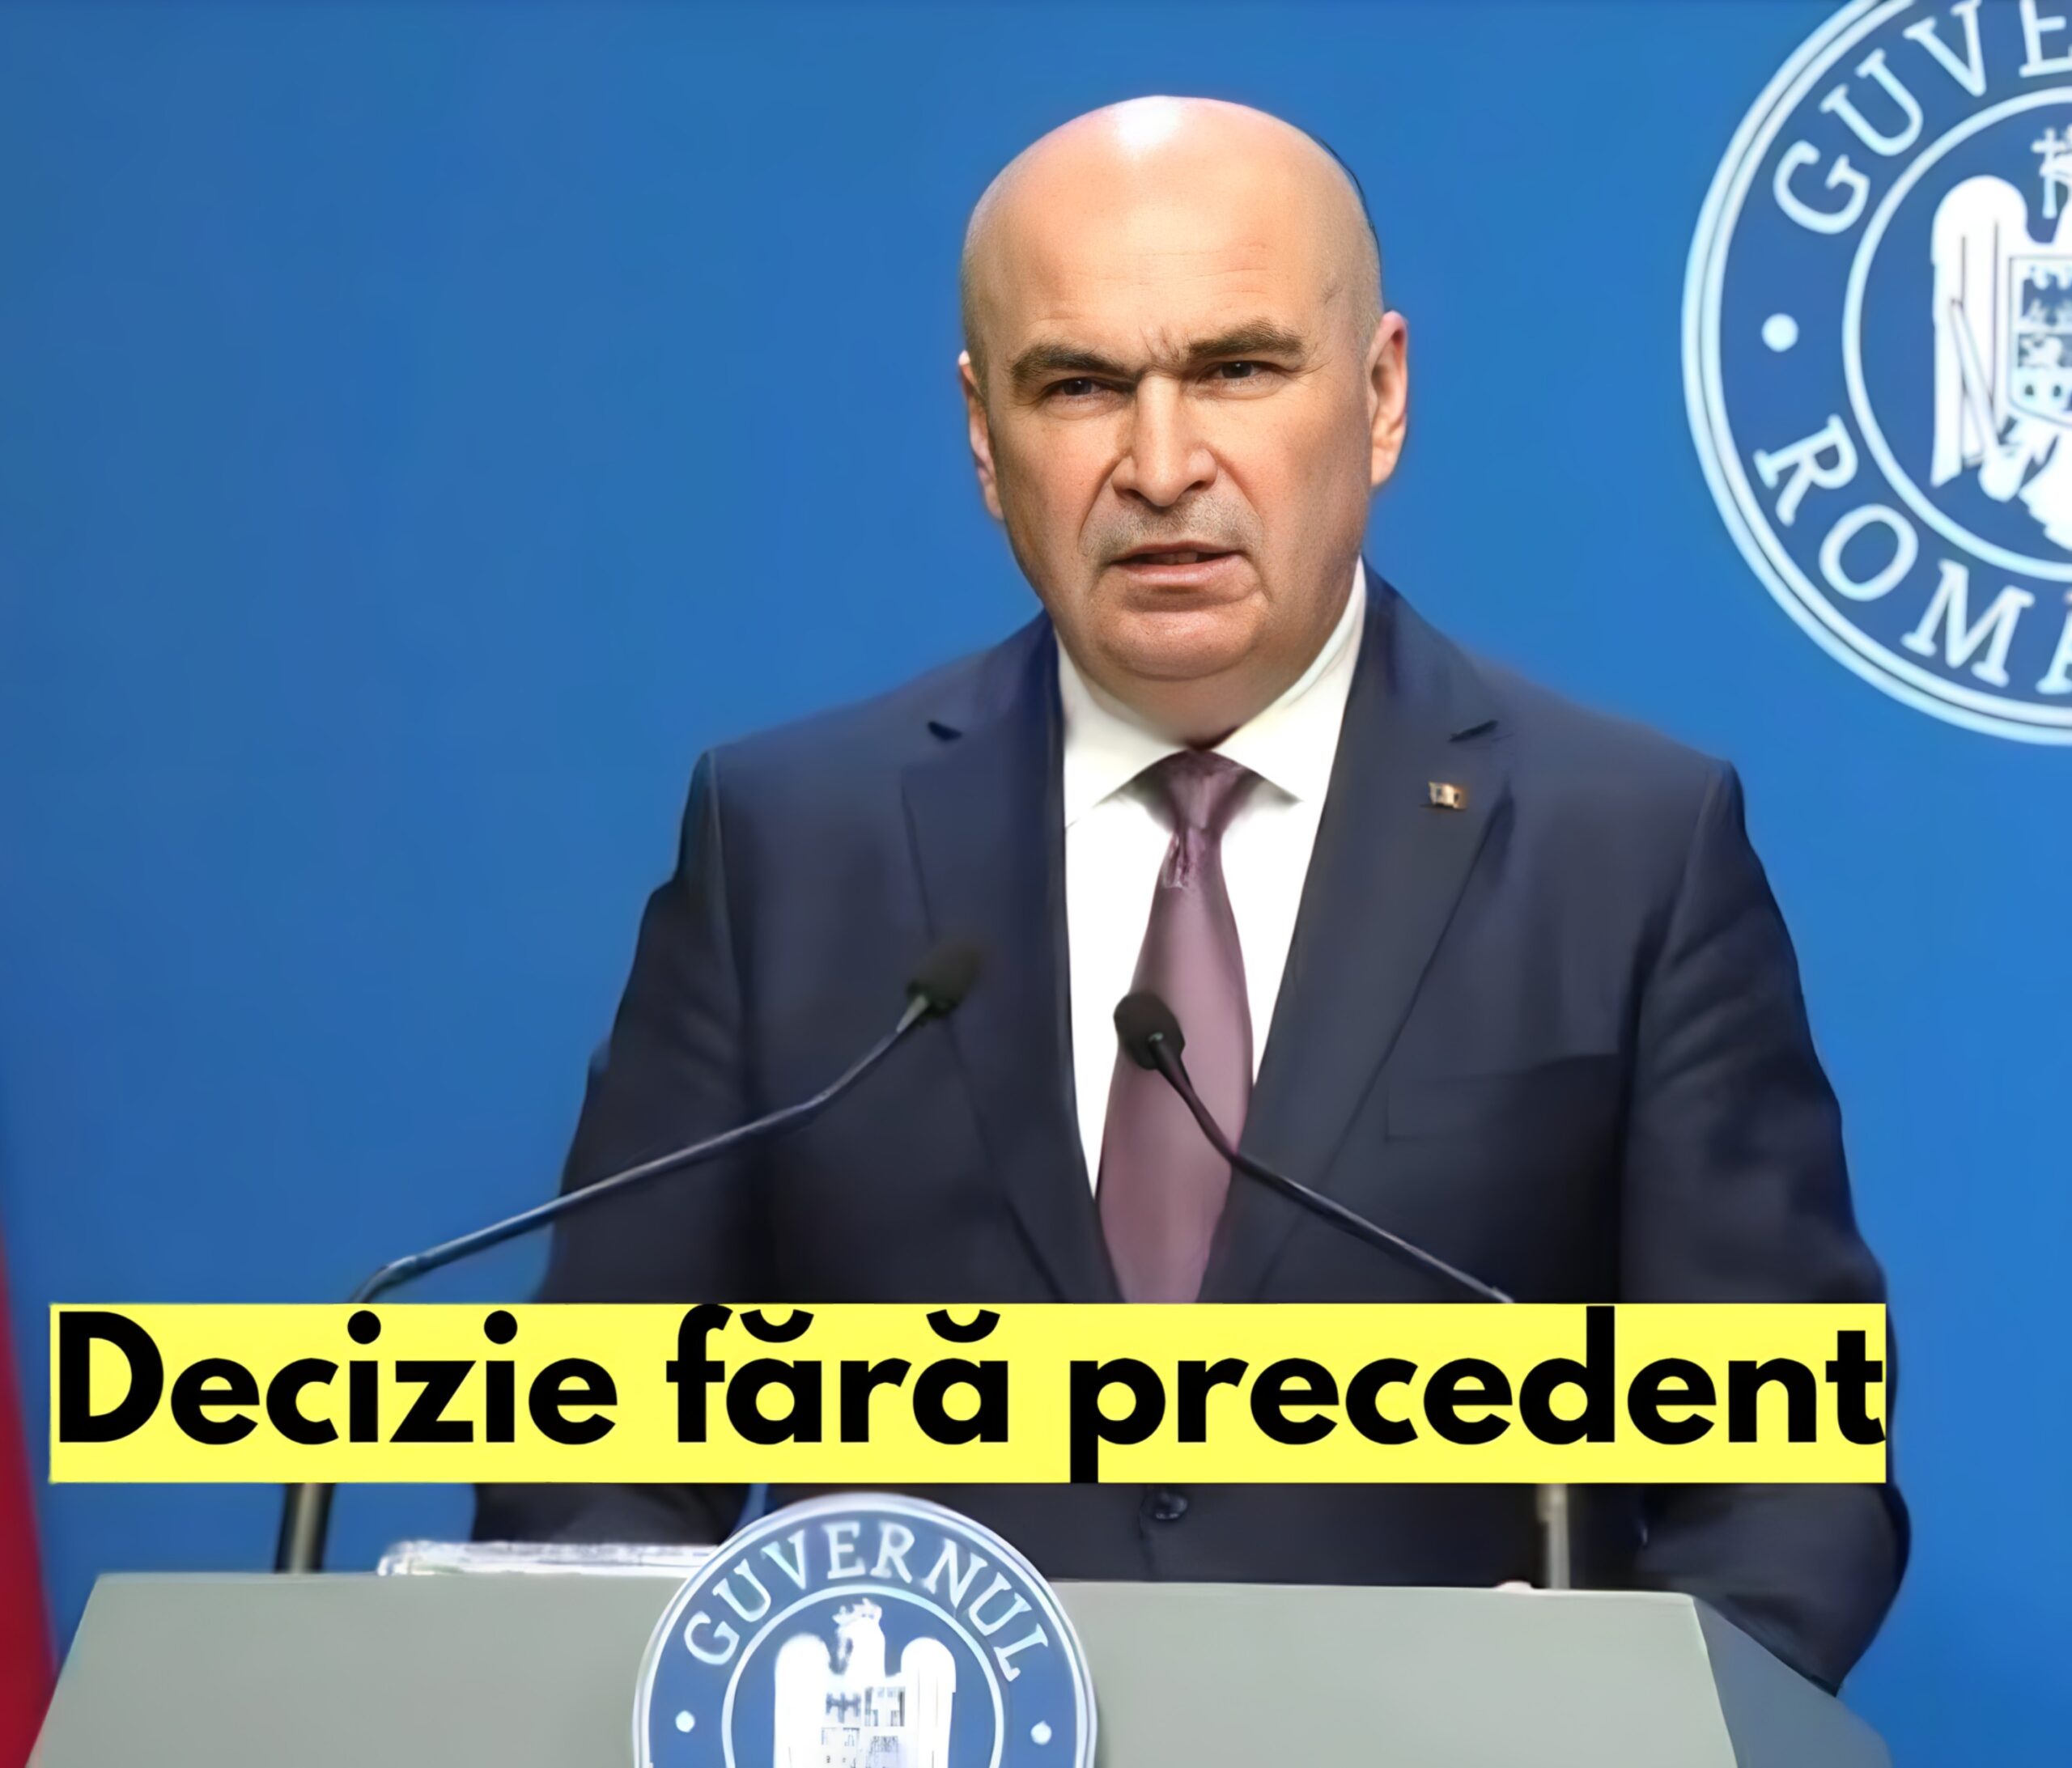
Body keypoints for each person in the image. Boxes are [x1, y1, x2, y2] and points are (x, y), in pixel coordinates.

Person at [475, 96, 1903, 1690]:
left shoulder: (1625, 848)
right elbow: (588, 1439)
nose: (1160, 467)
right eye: (1079, 385)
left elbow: (1790, 1485)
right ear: (983, 436)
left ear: (1379, 396)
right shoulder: (788, 846)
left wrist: (1596, 1709)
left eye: (1235, 368)